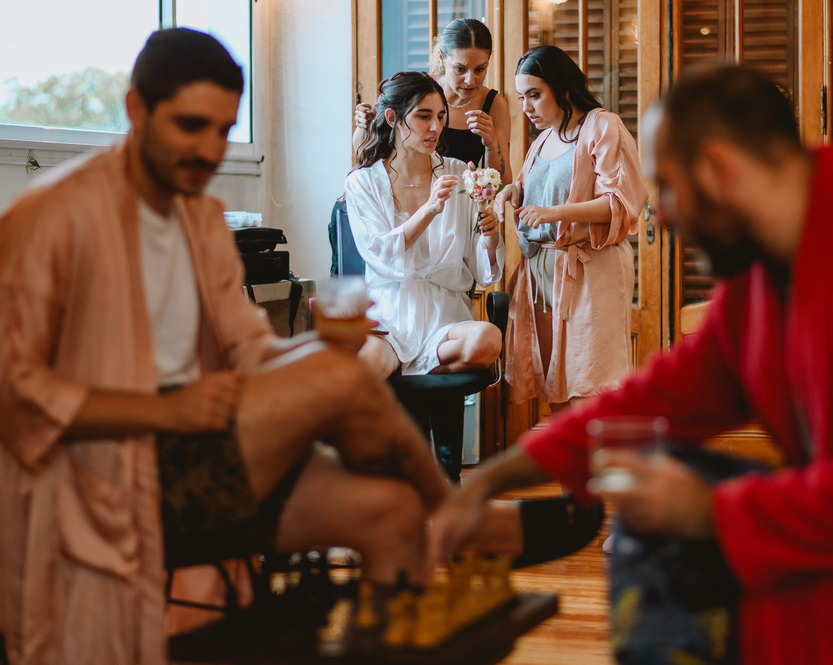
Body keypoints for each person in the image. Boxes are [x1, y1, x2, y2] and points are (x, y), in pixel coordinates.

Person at [428, 63, 833, 665]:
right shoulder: (764, 279)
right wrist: (488, 483)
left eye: (668, 187)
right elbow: (649, 403)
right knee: (652, 466)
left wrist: (707, 511)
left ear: (721, 167)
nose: (662, 216)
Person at [0, 29, 518, 665]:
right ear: (136, 110)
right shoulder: (48, 221)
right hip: (117, 460)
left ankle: (431, 560)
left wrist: (318, 361)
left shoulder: (198, 220)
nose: (208, 150)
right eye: (191, 125)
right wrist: (163, 412)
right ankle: (474, 518)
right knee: (345, 381)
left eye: (221, 130)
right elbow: (19, 395)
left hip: (212, 443)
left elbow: (250, 349)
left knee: (387, 505)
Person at [493, 45, 646, 410]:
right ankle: (571, 464)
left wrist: (555, 212)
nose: (526, 108)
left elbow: (620, 202)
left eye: (534, 95)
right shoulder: (544, 137)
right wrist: (514, 190)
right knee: (555, 380)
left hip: (591, 269)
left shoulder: (602, 125)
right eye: (521, 97)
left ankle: (599, 463)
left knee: (590, 379)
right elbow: (539, 192)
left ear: (562, 89)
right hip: (542, 273)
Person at [346, 71, 504, 381]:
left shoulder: (460, 173)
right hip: (388, 317)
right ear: (392, 118)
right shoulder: (363, 183)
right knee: (361, 370)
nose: (436, 127)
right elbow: (380, 254)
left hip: (445, 320)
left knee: (488, 340)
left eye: (442, 117)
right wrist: (430, 209)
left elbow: (482, 270)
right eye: (424, 116)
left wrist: (491, 238)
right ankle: (406, 369)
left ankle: (411, 367)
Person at [354, 18, 511, 183]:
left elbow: (503, 185)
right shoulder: (417, 90)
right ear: (442, 58)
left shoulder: (495, 105)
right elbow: (363, 151)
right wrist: (363, 125)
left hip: (457, 203)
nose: (470, 80)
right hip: (404, 194)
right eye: (460, 69)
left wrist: (492, 145)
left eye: (480, 69)